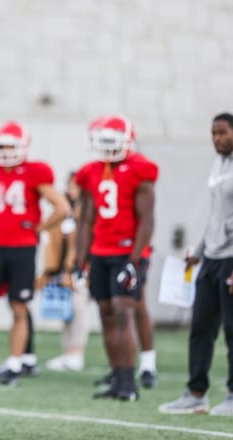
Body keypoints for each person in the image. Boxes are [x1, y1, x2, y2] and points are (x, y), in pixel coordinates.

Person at [0, 121, 70, 386]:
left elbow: (62, 207)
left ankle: (15, 365)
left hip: (23, 248)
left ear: (23, 147)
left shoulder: (35, 172)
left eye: (11, 146)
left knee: (18, 307)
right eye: (2, 147)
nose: (6, 152)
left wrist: (40, 228)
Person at [159, 112, 233, 416]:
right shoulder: (218, 164)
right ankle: (196, 393)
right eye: (213, 134)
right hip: (213, 257)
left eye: (222, 133)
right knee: (201, 327)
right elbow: (216, 215)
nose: (216, 139)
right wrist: (200, 250)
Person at [75, 114, 158, 401]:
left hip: (126, 252)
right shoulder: (90, 171)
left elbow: (147, 220)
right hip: (100, 251)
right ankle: (118, 376)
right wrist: (79, 259)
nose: (109, 147)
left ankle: (129, 383)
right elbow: (86, 218)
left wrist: (135, 260)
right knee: (107, 314)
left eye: (114, 141)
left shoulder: (140, 169)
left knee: (124, 311)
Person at [37, 172, 89, 372]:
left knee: (78, 308)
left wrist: (71, 269)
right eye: (71, 186)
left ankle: (77, 352)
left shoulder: (86, 211)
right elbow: (53, 243)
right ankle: (69, 352)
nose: (73, 190)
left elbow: (81, 245)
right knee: (67, 311)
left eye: (77, 187)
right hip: (60, 269)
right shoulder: (64, 212)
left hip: (80, 269)